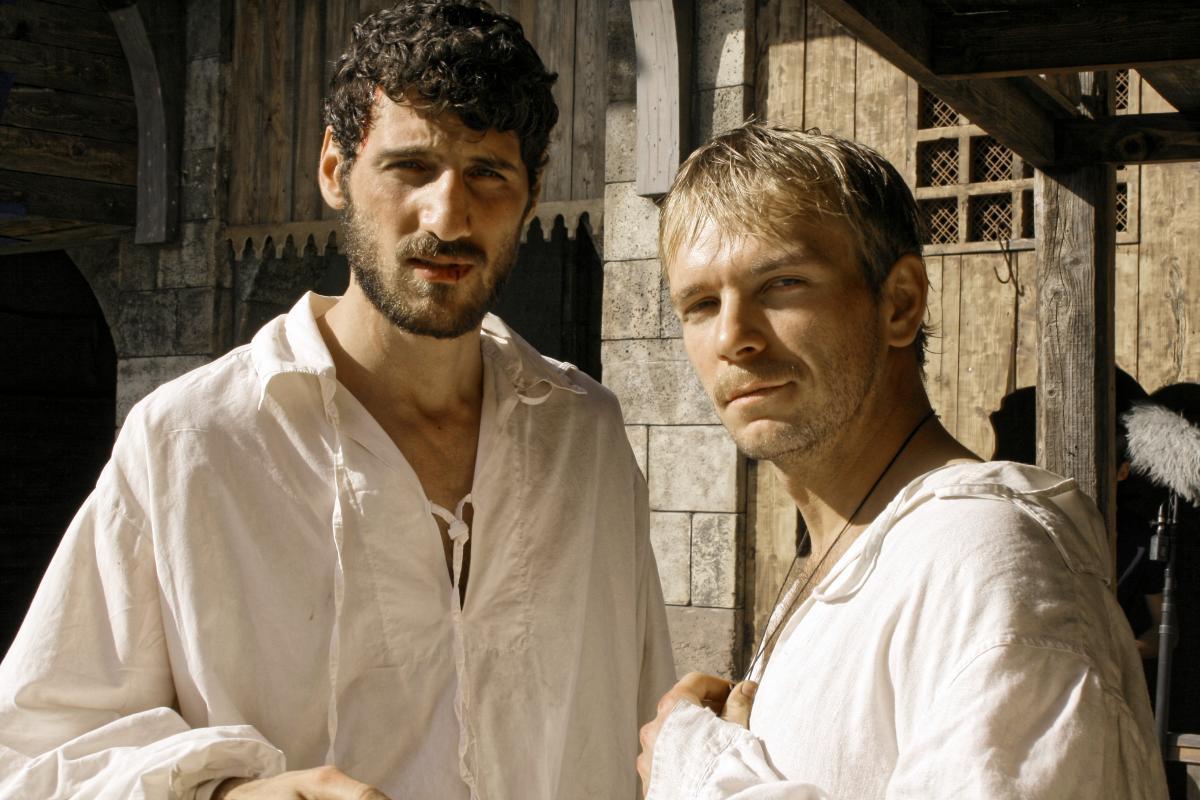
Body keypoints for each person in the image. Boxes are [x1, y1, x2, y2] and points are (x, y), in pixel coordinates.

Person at [0, 3, 674, 799]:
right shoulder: (191, 442)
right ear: (334, 169)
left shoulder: (585, 438)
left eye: (488, 173)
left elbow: (645, 737)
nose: (448, 215)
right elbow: (33, 759)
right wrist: (227, 795)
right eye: (410, 166)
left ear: (533, 192)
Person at [637, 121, 1165, 798]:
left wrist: (699, 772)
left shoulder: (983, 559)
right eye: (702, 304)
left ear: (900, 303)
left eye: (782, 284)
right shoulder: (858, 546)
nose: (733, 337)